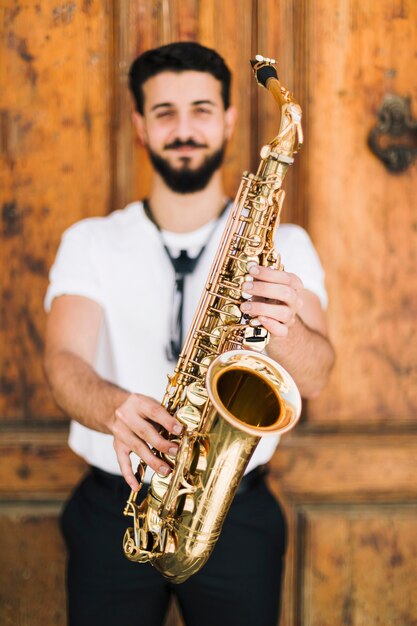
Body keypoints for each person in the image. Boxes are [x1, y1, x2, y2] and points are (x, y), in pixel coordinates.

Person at [44, 42, 335, 626]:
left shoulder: (290, 243)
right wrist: (114, 408)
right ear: (139, 126)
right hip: (116, 507)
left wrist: (284, 326)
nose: (184, 129)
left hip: (239, 510)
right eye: (164, 112)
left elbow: (319, 374)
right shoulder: (91, 240)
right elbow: (63, 364)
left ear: (229, 119)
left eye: (201, 109)